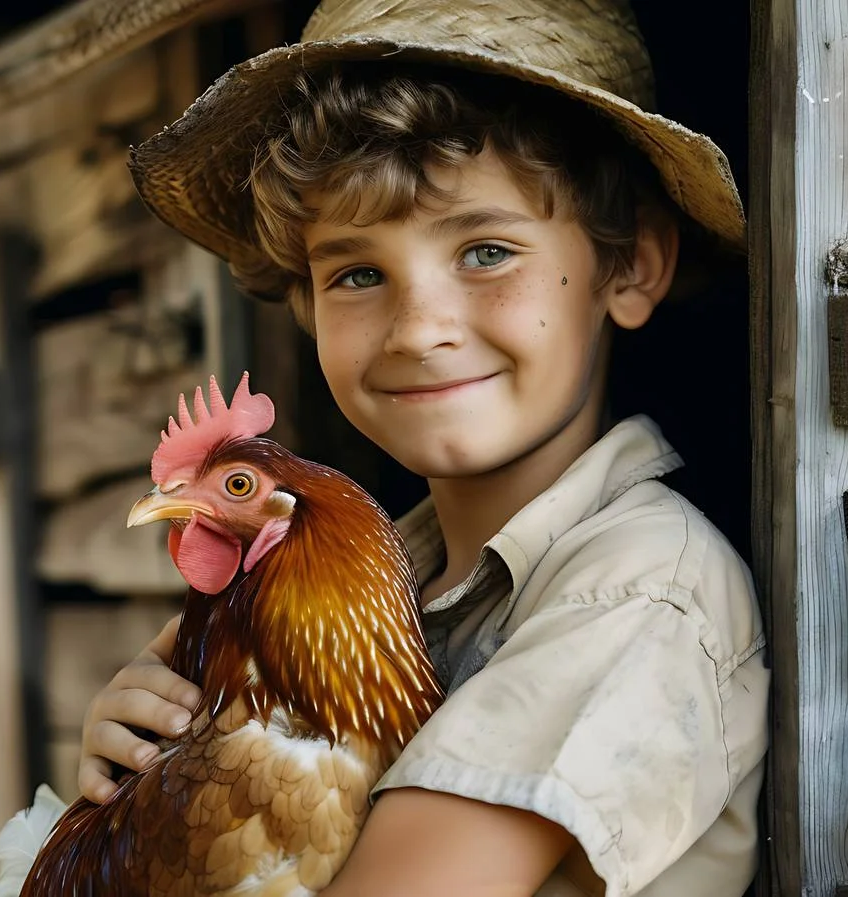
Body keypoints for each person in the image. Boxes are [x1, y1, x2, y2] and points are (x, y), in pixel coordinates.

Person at [80, 0, 769, 894]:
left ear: (631, 265)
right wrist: (144, 794)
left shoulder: (639, 594)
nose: (419, 328)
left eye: (486, 251)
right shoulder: (381, 581)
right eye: (359, 274)